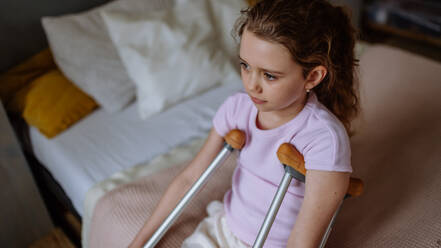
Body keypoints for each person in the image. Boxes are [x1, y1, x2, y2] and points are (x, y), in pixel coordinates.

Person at [129, 0, 359, 247]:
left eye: (269, 75)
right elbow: (189, 178)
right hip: (223, 230)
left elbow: (303, 242)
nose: (251, 85)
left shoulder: (323, 139)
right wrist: (140, 242)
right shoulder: (237, 108)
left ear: (312, 76)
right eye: (245, 66)